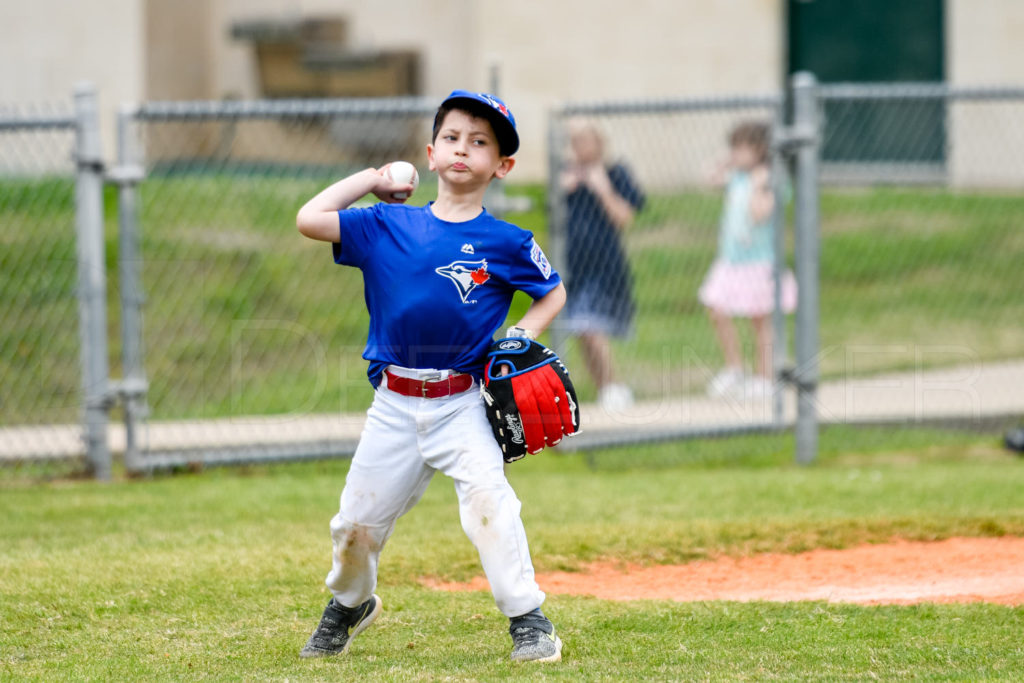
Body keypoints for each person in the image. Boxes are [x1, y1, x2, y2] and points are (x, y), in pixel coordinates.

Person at [294, 90, 566, 663]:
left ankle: (529, 620)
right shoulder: (386, 224)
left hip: (463, 402)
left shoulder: (508, 241)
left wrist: (522, 336)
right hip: (393, 404)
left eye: (481, 142)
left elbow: (552, 290)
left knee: (492, 506)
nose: (463, 149)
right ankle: (350, 605)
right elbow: (309, 219)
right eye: (452, 138)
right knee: (354, 526)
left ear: (502, 165)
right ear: (431, 152)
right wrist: (371, 178)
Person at [699, 120, 797, 400]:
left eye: (741, 148)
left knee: (761, 319)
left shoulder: (771, 179)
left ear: (760, 149)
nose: (736, 154)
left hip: (760, 262)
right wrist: (725, 163)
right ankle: (735, 369)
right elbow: (709, 179)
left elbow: (759, 214)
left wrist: (758, 185)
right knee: (716, 308)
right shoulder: (737, 177)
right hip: (731, 261)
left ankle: (765, 377)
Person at [560, 119, 645, 411]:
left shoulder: (615, 173)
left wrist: (602, 188)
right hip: (573, 266)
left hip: (605, 265)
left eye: (586, 140)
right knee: (581, 330)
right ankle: (605, 389)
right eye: (575, 141)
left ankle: (615, 386)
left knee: (591, 326)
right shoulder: (566, 175)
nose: (580, 147)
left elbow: (624, 218)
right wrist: (563, 190)